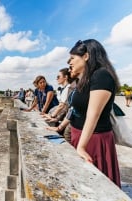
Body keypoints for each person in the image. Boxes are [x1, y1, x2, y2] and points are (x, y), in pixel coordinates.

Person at [53, 39, 121, 187]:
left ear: (86, 56)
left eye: (72, 57)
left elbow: (93, 114)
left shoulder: (102, 76)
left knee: (95, 185)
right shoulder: (85, 79)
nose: (69, 61)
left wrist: (82, 147)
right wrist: (59, 127)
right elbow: (75, 109)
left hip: (94, 139)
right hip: (81, 135)